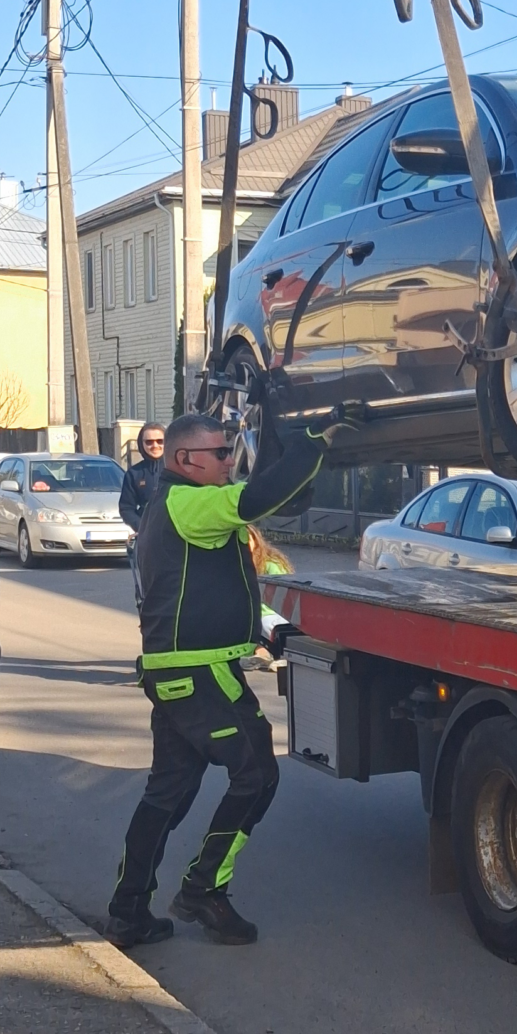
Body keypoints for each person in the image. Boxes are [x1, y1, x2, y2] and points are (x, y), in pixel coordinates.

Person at [107, 402, 326, 950]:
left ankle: (129, 911)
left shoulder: (176, 506)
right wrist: (318, 441)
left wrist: (265, 630)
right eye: (221, 452)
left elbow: (216, 584)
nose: (230, 460)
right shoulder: (188, 502)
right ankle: (204, 889)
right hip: (199, 674)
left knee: (168, 793)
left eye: (230, 450)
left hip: (178, 671)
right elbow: (258, 498)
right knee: (258, 775)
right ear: (185, 458)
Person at [120, 421, 167, 606]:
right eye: (149, 442)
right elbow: (126, 508)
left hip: (177, 534)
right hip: (147, 538)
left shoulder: (180, 469)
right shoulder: (134, 474)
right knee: (151, 588)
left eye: (160, 441)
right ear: (142, 444)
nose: (155, 446)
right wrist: (142, 527)